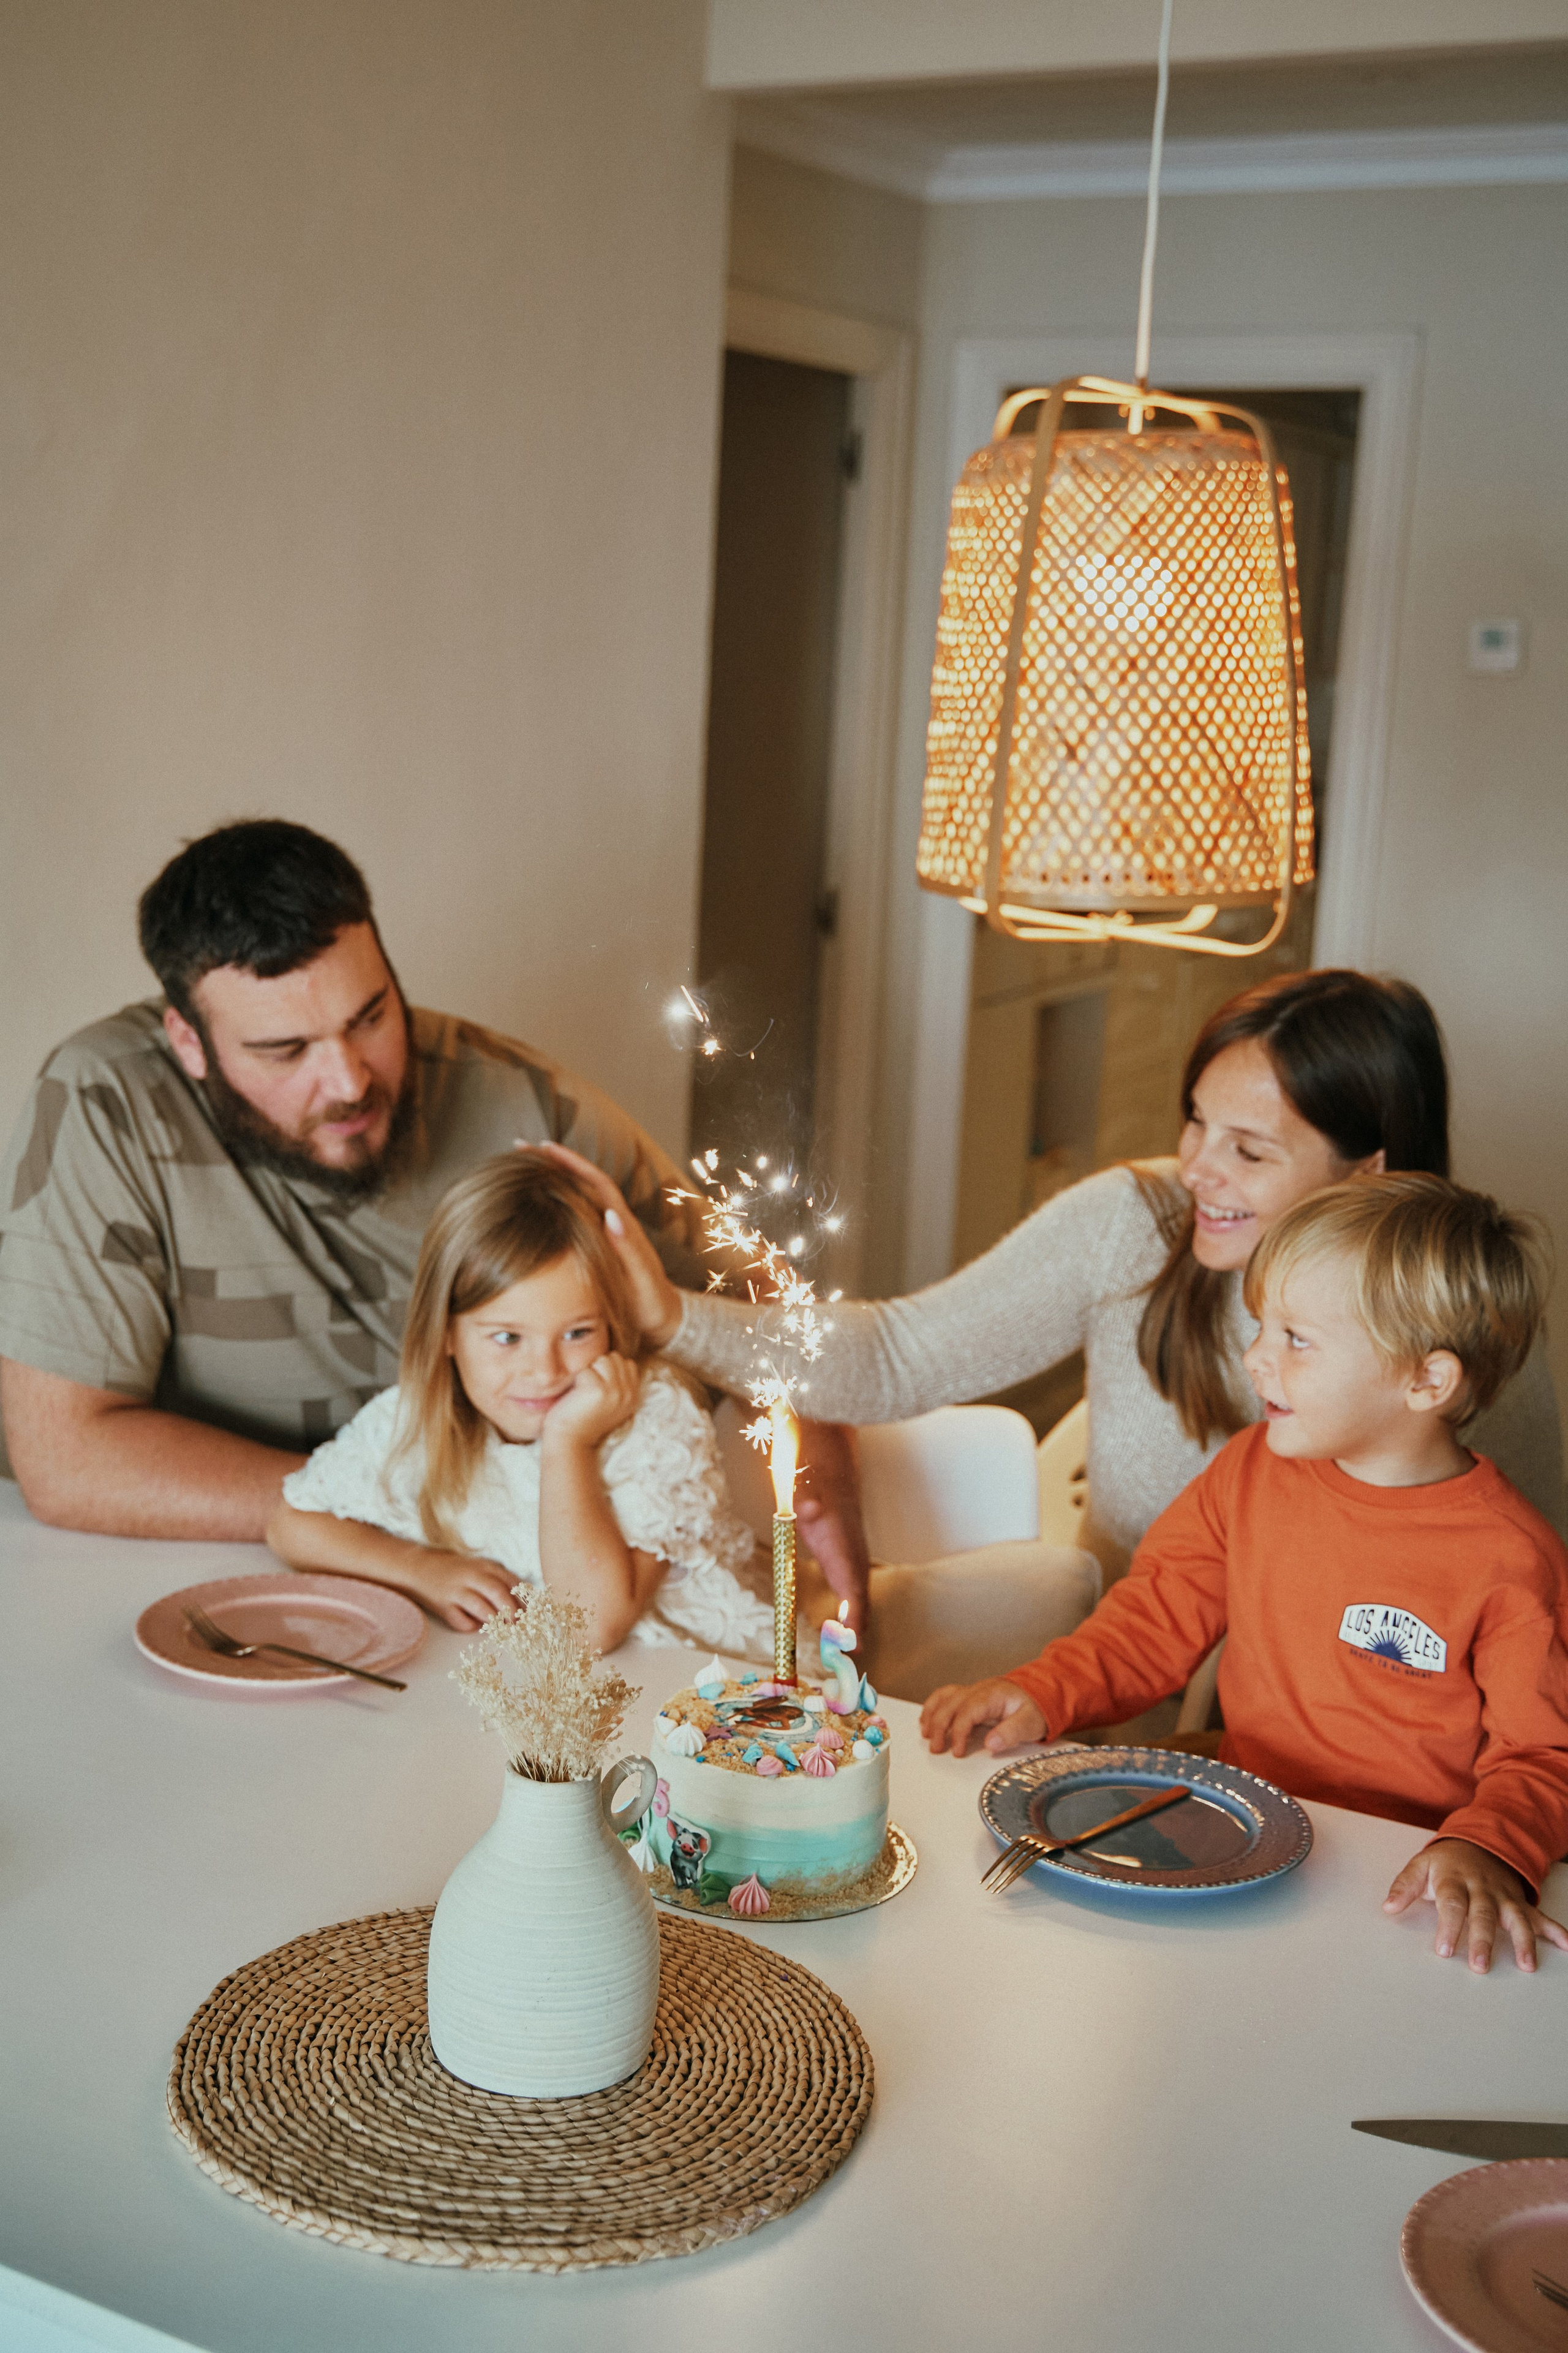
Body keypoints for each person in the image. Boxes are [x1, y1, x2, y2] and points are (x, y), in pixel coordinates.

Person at [0, 820, 869, 1620]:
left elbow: (759, 1296)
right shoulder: (104, 1106)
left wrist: (819, 1453)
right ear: (189, 1044)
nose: (347, 1080)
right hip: (212, 1594)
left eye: (370, 1016)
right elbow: (65, 1458)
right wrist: (396, 1522)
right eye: (285, 1051)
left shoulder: (528, 1107)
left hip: (511, 1610)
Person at [559, 969, 1565, 1600]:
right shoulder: (1139, 1221)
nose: (1197, 1169)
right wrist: (668, 1317)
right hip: (1126, 1702)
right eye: (1195, 1122)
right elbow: (901, 1355)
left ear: (1368, 1173)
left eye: (1249, 1151)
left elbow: (1531, 1586)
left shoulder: (1464, 1323)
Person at [923, 1175, 1568, 1976]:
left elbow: (1543, 1756)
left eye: (1297, 1338)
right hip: (1242, 1843)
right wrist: (1046, 1689)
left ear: (1426, 1383)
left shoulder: (1511, 1556)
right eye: (1262, 1325)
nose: (1255, 1355)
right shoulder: (1250, 1470)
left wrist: (1488, 1845)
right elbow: (1155, 1615)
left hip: (1407, 1890)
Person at [268, 1154, 775, 1655]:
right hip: (544, 1701)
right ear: (445, 1332)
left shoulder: (654, 1419)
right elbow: (292, 1524)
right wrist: (422, 1570)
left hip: (706, 1698)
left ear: (613, 1323)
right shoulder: (419, 1416)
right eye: (508, 1337)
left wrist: (568, 1443)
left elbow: (591, 1627)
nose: (545, 1370)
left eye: (577, 1332)